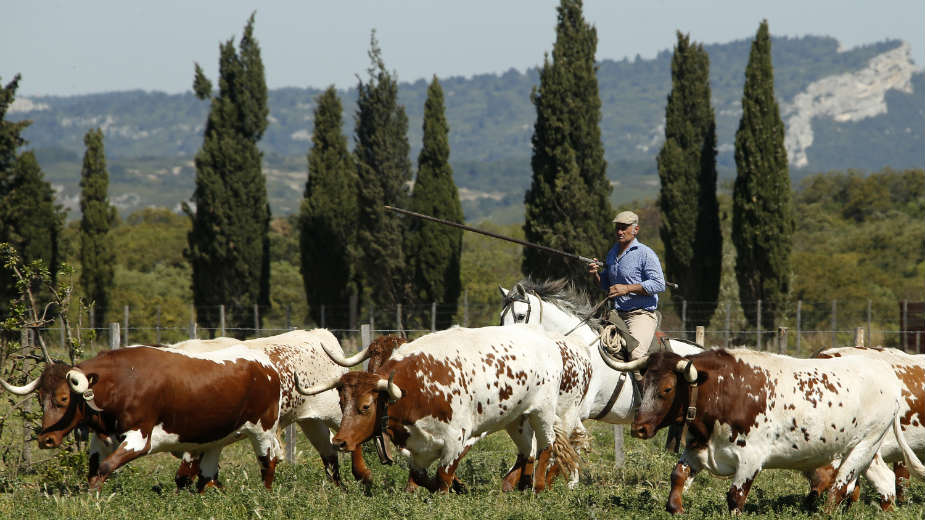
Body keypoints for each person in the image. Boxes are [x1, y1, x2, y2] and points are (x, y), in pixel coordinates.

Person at [589, 210, 666, 361]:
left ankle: (645, 385)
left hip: (640, 315)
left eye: (624, 227)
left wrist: (626, 288)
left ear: (635, 229)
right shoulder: (612, 253)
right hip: (616, 314)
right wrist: (596, 274)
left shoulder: (645, 253)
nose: (619, 231)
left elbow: (659, 284)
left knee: (636, 355)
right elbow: (606, 285)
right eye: (617, 227)